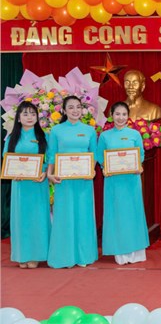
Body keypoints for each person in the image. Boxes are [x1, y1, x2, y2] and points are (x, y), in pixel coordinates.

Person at [46, 95, 98, 268]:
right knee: (64, 216)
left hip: (83, 180)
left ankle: (83, 256)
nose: (75, 110)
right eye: (71, 107)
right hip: (63, 181)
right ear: (64, 110)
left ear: (82, 109)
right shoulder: (56, 130)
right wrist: (50, 174)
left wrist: (91, 171)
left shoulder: (90, 130)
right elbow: (52, 154)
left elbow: (94, 154)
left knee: (83, 215)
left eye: (78, 107)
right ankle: (64, 256)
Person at [96, 102, 149, 264]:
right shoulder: (105, 136)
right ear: (111, 115)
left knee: (133, 213)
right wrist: (105, 167)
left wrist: (138, 165)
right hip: (113, 181)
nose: (120, 118)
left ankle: (136, 252)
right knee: (117, 214)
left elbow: (140, 154)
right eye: (117, 114)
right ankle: (120, 252)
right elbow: (100, 156)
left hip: (131, 180)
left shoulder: (135, 134)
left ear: (128, 116)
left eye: (124, 114)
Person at [2, 101, 50, 269]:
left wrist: (45, 172)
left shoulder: (44, 136)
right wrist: (13, 172)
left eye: (32, 114)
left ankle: (36, 254)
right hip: (20, 185)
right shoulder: (12, 138)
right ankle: (22, 255)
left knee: (37, 218)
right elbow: (6, 158)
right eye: (25, 114)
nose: (29, 117)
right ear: (18, 118)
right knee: (21, 219)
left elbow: (50, 158)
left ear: (37, 117)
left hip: (38, 184)